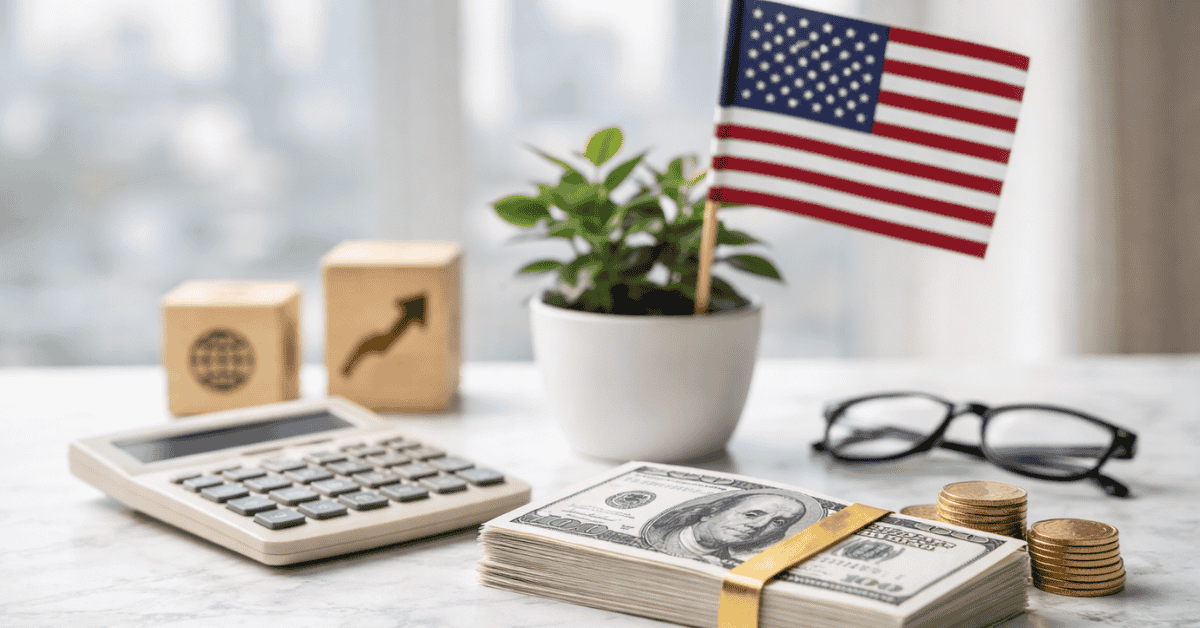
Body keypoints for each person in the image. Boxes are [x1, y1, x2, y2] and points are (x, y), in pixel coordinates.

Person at [645, 491, 808, 565]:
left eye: (778, 522)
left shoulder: (735, 562)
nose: (759, 526)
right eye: (751, 515)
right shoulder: (656, 535)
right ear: (711, 513)